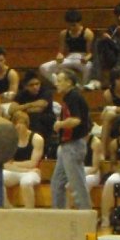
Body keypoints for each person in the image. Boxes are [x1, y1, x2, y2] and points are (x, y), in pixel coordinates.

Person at [50, 69, 91, 210]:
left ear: (69, 82)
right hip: (67, 146)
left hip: (73, 146)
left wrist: (60, 124)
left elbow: (76, 120)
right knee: (56, 183)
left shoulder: (73, 97)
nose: (57, 84)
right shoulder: (69, 97)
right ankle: (58, 215)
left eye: (60, 81)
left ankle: (86, 216)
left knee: (77, 184)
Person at [39, 9, 94, 87]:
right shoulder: (64, 33)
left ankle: (83, 86)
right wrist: (59, 56)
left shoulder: (87, 33)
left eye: (74, 25)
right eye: (69, 25)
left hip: (81, 58)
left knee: (89, 67)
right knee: (43, 67)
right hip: (69, 58)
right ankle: (60, 84)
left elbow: (90, 53)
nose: (71, 28)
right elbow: (61, 51)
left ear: (79, 23)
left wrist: (86, 58)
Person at [2, 111, 44, 208]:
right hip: (21, 171)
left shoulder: (37, 139)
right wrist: (24, 169)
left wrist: (14, 164)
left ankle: (29, 211)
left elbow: (33, 163)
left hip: (32, 173)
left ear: (27, 124)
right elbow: (5, 164)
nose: (18, 126)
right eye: (15, 124)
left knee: (26, 182)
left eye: (21, 123)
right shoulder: (10, 139)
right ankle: (7, 207)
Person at [8, 70, 57, 153]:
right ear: (26, 86)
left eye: (37, 84)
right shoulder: (22, 94)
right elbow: (11, 110)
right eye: (31, 85)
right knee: (16, 117)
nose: (35, 87)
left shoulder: (45, 91)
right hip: (27, 120)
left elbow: (40, 107)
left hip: (45, 120)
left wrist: (22, 108)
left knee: (35, 116)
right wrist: (29, 106)